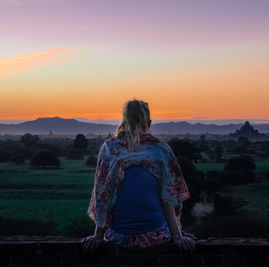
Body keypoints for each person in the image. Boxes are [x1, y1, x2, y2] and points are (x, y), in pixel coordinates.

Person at [82, 99, 197, 254]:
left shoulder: (109, 149)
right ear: (149, 123)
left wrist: (97, 236)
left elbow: (103, 194)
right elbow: (169, 196)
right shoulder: (160, 150)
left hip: (118, 237)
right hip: (155, 236)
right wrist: (177, 236)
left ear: (124, 121)